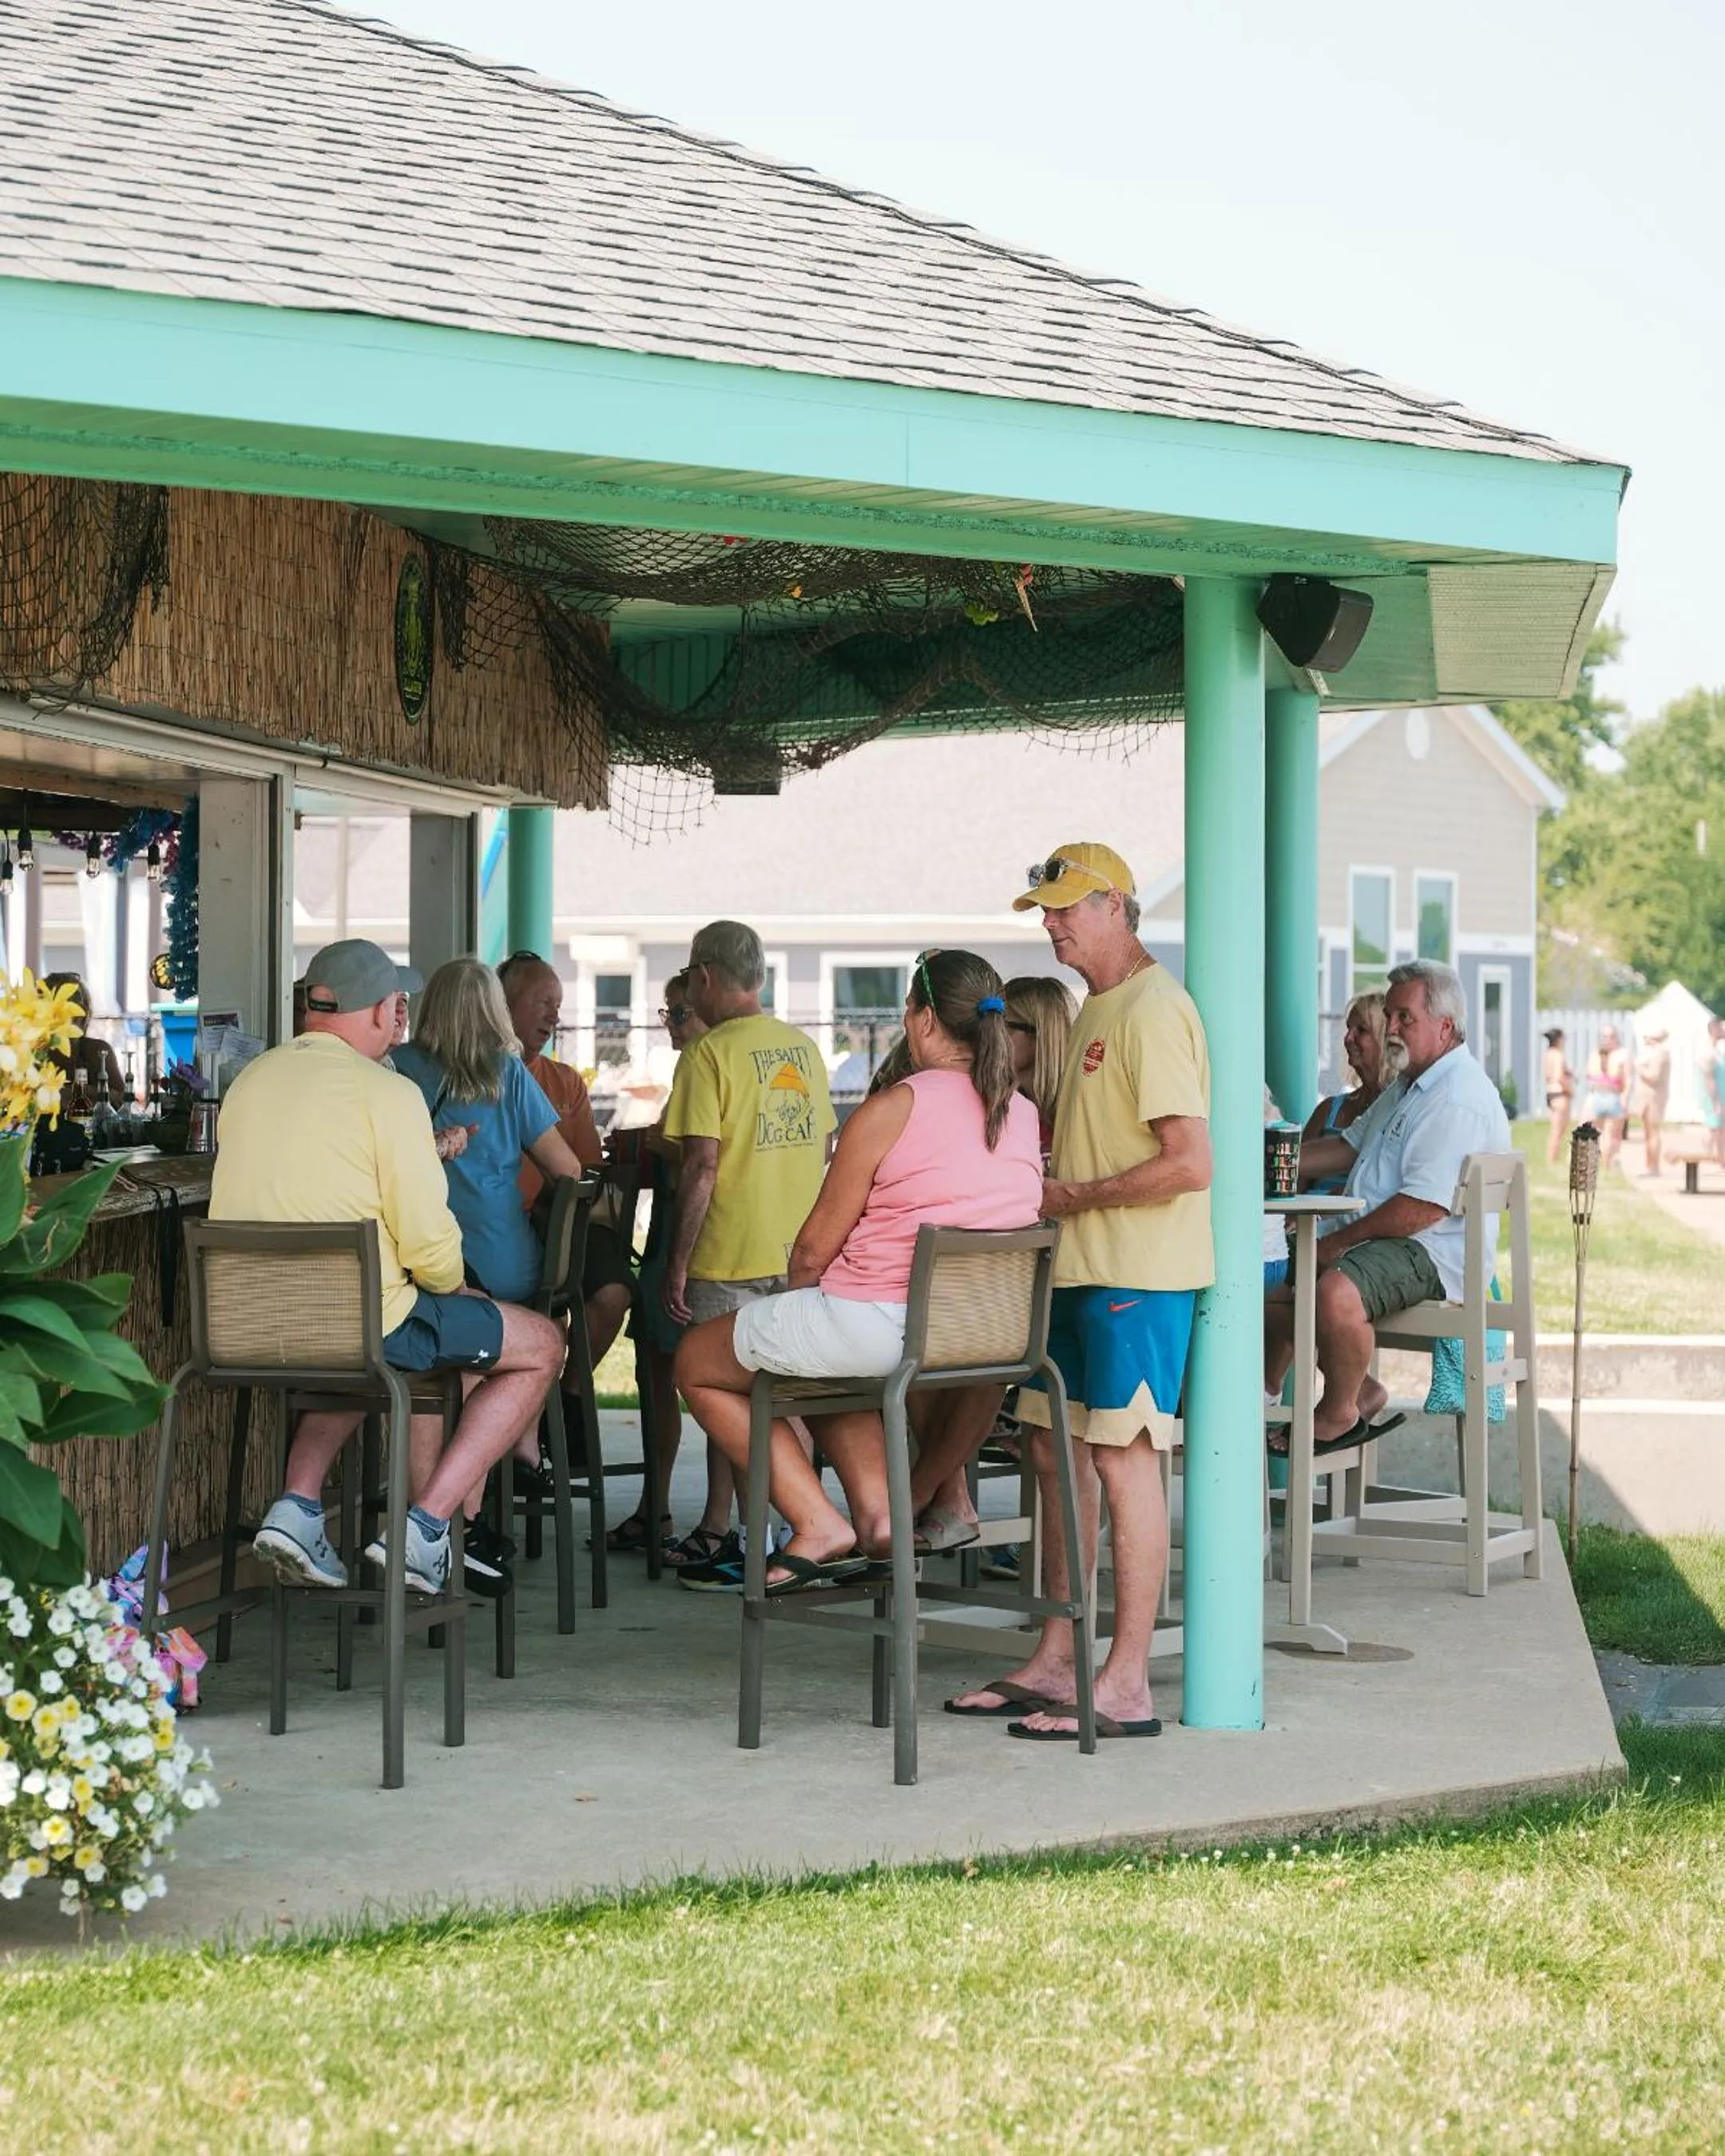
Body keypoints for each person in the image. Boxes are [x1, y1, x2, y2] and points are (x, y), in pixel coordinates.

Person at [673, 948, 1043, 1592]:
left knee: (696, 1363)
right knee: (812, 1357)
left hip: (879, 1324)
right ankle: (877, 1518)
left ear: (924, 1020)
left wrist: (800, 1299)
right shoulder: (1022, 1113)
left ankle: (816, 1522)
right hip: (986, 1336)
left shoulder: (893, 1107)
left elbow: (814, 1249)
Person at [947, 844, 1212, 1743]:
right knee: (1051, 1453)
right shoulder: (1102, 1006)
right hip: (1081, 1264)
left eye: (1066, 908)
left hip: (1138, 1273)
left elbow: (1189, 1162)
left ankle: (1127, 1681)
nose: (1052, 923)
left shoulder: (1156, 1008)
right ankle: (1060, 1658)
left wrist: (1068, 1195)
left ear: (1117, 905)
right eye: (1046, 910)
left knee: (1125, 1458)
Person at [213, 939, 565, 1599]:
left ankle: (298, 1504)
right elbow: (431, 1244)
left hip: (245, 1326)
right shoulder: (390, 1093)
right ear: (380, 1012)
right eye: (398, 1005)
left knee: (362, 1344)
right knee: (541, 1344)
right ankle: (427, 1528)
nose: (402, 1019)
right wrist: (457, 1292)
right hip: (360, 1326)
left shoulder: (252, 1080)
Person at [1267, 958, 1511, 1450]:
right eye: (1392, 1017)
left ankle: (1338, 1413)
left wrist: (1337, 1242)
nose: (1392, 1027)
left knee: (1337, 1291)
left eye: (1404, 1018)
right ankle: (1355, 1390)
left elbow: (1421, 1209)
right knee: (1268, 1277)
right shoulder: (1408, 1084)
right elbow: (1346, 1147)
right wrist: (1263, 1158)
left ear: (1445, 1026)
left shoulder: (1456, 1095)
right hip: (1391, 1240)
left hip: (1432, 1251)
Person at [907, 971, 1078, 1563]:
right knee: (936, 1336)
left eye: (1006, 1024)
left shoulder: (1055, 1114)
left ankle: (918, 1497)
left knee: (962, 1345)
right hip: (1003, 1288)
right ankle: (943, 1495)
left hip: (1061, 1289)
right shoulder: (997, 1106)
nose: (992, 1033)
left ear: (1044, 1036)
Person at [605, 970, 719, 1564]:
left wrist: (648, 1143)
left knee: (678, 1376)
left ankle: (711, 1522)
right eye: (666, 1013)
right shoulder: (698, 1065)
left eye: (678, 1013)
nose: (669, 1024)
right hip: (675, 1235)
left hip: (688, 1241)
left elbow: (705, 1152)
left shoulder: (707, 1062)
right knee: (657, 1374)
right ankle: (660, 1506)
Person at [42, 973, 126, 1107]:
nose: (79, 1017)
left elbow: (123, 1103)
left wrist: (81, 1092)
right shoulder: (31, 1053)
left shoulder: (97, 1051)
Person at [1585, 1024, 1630, 1168]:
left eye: (1611, 1036)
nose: (1608, 1040)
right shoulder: (1599, 1054)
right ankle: (1600, 1164)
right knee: (1601, 1134)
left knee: (1609, 1134)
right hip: (1603, 1095)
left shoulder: (1620, 1055)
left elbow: (1627, 1079)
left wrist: (1624, 1098)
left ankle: (1604, 1164)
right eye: (1606, 1036)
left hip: (1610, 1095)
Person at [1632, 1027, 1671, 1177]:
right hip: (1648, 1097)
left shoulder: (1659, 1054)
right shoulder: (1654, 1053)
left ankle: (1654, 1167)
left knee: (1653, 1132)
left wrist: (1639, 1068)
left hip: (1654, 1098)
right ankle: (1649, 1165)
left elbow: (1654, 1077)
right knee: (1647, 1132)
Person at [1543, 1026, 1574, 1164]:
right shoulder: (1558, 1055)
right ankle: (1552, 1158)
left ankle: (1552, 1157)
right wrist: (1569, 1090)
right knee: (1559, 1130)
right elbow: (1559, 1076)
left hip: (1550, 1093)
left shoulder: (1548, 1054)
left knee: (1554, 1129)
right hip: (1561, 1093)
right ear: (1560, 1039)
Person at [1702, 1017, 1725, 1174]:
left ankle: (1720, 1161)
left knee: (1720, 1130)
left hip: (1720, 1097)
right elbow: (1709, 1079)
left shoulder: (1717, 1051)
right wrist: (1715, 1101)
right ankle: (1707, 1160)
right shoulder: (1708, 1053)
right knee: (1714, 1129)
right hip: (1715, 1098)